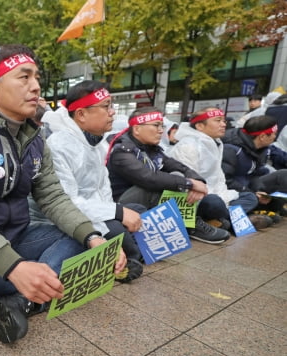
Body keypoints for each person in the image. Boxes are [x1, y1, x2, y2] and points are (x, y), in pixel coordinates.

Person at [0, 44, 126, 344]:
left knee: (82, 240)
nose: (36, 86)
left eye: (36, 77)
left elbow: (54, 198)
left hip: (20, 234)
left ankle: (18, 298)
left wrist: (93, 237)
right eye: (24, 77)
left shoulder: (37, 139)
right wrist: (13, 265)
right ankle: (32, 285)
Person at [36, 80, 145, 281]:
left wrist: (116, 212)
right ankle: (126, 257)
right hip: (63, 219)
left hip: (95, 211)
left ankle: (128, 253)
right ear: (81, 114)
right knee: (117, 229)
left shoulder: (97, 144)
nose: (113, 112)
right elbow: (66, 204)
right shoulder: (59, 146)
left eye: (111, 106)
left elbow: (103, 189)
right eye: (106, 106)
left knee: (137, 211)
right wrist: (117, 213)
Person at [106, 106, 231, 244]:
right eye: (156, 125)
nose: (161, 130)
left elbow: (178, 166)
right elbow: (148, 178)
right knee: (156, 185)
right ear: (136, 129)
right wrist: (189, 184)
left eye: (162, 126)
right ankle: (189, 225)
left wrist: (197, 180)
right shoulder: (122, 152)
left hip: (146, 203)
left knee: (178, 176)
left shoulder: (152, 149)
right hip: (122, 207)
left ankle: (192, 221)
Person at [169, 108, 271, 229]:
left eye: (223, 121)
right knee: (214, 202)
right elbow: (187, 181)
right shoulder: (188, 146)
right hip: (195, 197)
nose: (223, 124)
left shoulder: (216, 143)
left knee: (250, 198)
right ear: (200, 126)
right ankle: (234, 221)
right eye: (218, 120)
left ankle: (221, 221)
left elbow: (218, 176)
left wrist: (225, 197)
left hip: (215, 193)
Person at [222, 115, 287, 217]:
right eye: (273, 134)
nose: (275, 137)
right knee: (251, 199)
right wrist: (251, 192)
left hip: (248, 186)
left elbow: (256, 173)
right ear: (262, 137)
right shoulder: (231, 149)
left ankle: (263, 207)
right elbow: (226, 180)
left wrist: (259, 189)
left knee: (283, 175)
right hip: (233, 190)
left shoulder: (261, 148)